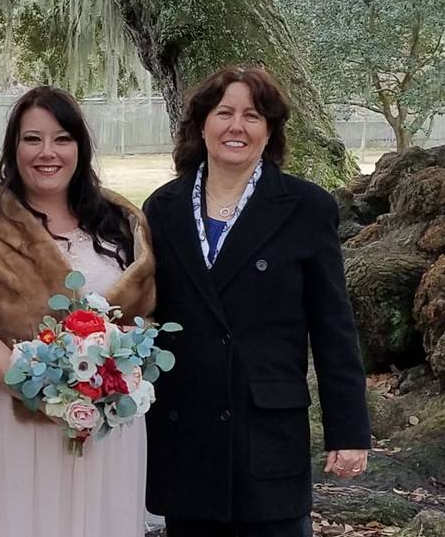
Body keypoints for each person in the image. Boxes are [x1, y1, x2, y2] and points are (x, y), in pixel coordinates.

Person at [143, 66, 371, 537]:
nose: (236, 126)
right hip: (187, 432)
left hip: (267, 430)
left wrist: (348, 432)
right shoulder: (161, 208)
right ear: (201, 123)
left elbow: (333, 329)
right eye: (224, 112)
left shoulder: (307, 209)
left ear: (269, 130)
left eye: (252, 115)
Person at [0, 86, 156, 537]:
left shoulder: (119, 220)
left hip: (105, 422)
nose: (47, 153)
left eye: (61, 139)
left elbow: (140, 317)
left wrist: (104, 386)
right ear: (13, 148)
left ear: (80, 146)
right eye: (32, 139)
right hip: (8, 420)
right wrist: (44, 391)